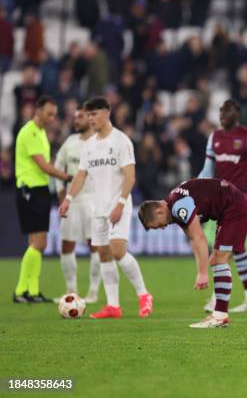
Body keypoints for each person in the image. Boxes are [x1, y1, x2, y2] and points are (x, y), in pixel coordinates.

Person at [58, 97, 153, 319]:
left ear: (107, 113)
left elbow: (130, 176)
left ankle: (144, 294)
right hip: (97, 207)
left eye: (94, 114)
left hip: (118, 205)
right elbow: (81, 175)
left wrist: (121, 203)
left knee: (118, 250)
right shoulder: (89, 145)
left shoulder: (121, 141)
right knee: (103, 254)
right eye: (88, 115)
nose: (91, 119)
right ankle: (113, 306)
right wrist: (68, 199)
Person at [137, 178, 247, 329]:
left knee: (219, 259)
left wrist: (203, 273)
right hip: (231, 208)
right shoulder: (173, 203)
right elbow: (193, 239)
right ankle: (219, 314)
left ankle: (220, 316)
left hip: (236, 209)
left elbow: (199, 237)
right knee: (216, 260)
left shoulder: (178, 206)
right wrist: (201, 270)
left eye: (158, 225)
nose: (162, 228)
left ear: (159, 211)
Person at [198, 100, 247, 313]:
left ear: (237, 114)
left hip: (242, 201)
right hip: (220, 201)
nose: (222, 114)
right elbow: (206, 171)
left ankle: (217, 299)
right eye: (220, 110)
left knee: (222, 249)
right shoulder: (214, 138)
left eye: (227, 111)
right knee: (237, 248)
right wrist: (194, 195)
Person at [13, 95, 71, 303]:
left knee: (36, 242)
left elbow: (45, 164)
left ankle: (31, 291)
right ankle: (22, 290)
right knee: (39, 242)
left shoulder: (40, 133)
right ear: (37, 111)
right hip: (31, 190)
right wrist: (66, 176)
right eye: (49, 113)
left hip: (38, 190)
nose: (52, 117)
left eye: (54, 114)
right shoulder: (29, 132)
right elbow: (43, 166)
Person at [53, 105, 100, 303]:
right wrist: (61, 194)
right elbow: (57, 167)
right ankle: (71, 290)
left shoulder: (99, 143)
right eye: (74, 117)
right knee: (66, 245)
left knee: (95, 245)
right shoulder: (70, 142)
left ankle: (93, 292)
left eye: (79, 116)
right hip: (72, 201)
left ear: (90, 119)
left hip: (93, 200)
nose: (75, 120)